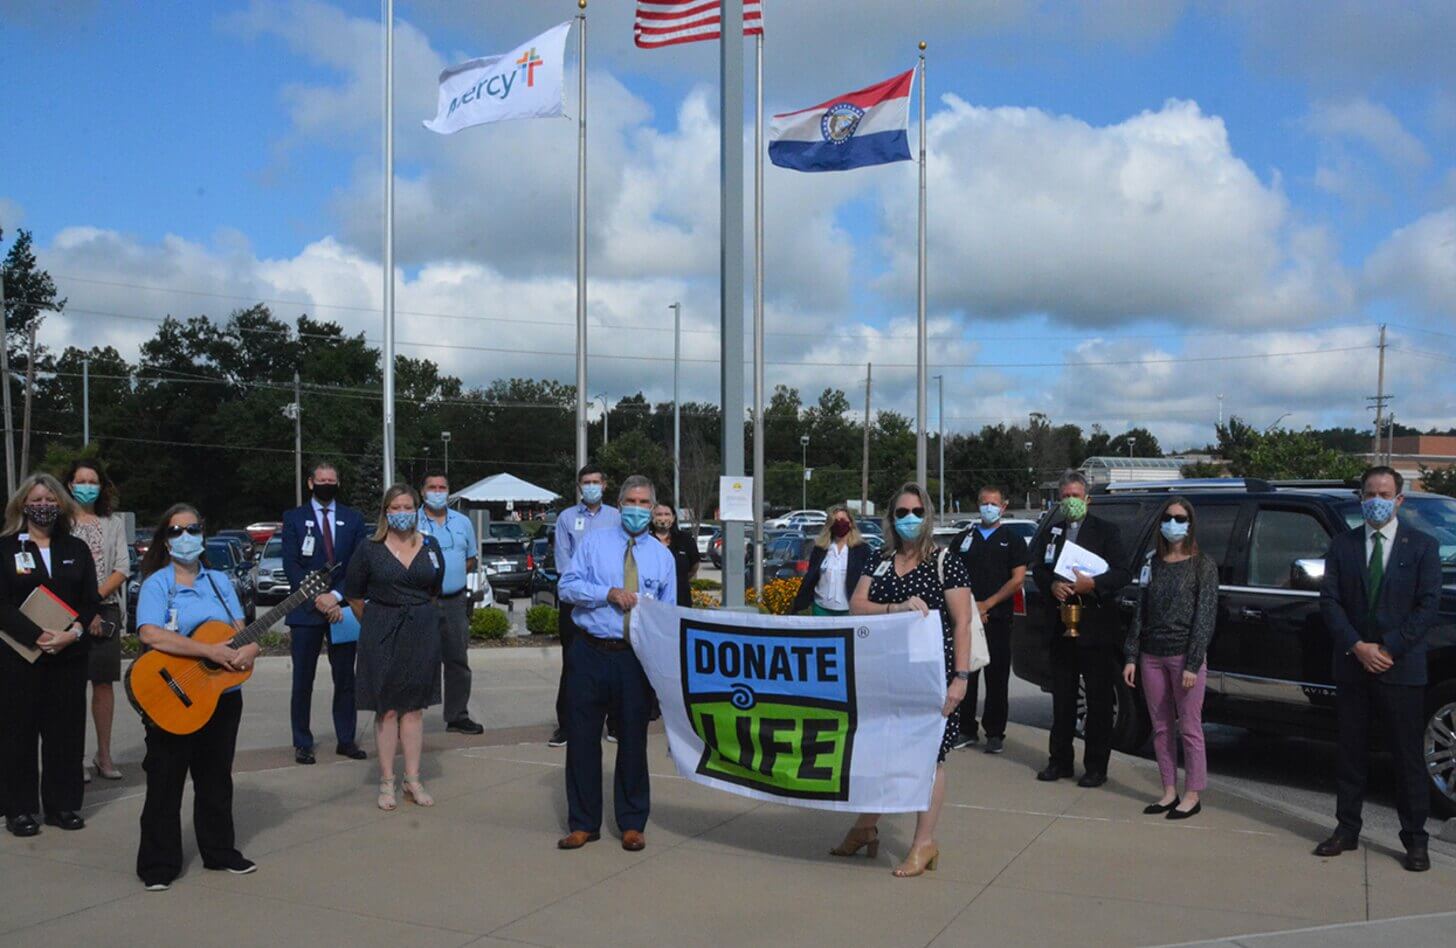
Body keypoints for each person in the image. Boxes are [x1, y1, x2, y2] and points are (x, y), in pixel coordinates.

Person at [833, 483, 973, 878]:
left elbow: (962, 623)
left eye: (915, 511)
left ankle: (923, 843)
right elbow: (856, 607)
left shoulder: (945, 562)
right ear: (890, 518)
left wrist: (960, 679)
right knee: (879, 749)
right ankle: (865, 827)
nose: (908, 519)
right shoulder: (879, 560)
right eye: (900, 512)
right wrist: (895, 607)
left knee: (929, 758)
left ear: (927, 515)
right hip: (885, 673)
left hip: (932, 677)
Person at [1315, 466, 1441, 872]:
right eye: (1369, 492)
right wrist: (1357, 645)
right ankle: (1346, 829)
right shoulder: (1343, 546)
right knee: (1350, 755)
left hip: (1400, 670)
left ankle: (1415, 841)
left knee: (1407, 759)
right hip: (1353, 666)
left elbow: (1427, 607)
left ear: (1399, 499)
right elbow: (1330, 602)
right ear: (1361, 498)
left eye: (1384, 492)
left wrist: (1389, 648)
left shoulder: (1422, 546)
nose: (1376, 499)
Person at [134, 504, 258, 889]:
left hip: (221, 696)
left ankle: (220, 852)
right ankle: (158, 865)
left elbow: (241, 630)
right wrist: (208, 651)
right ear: (166, 540)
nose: (186, 537)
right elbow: (150, 634)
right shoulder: (157, 583)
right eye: (176, 530)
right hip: (173, 693)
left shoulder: (220, 582)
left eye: (192, 529)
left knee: (216, 778)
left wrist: (249, 649)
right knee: (165, 779)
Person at [555, 475, 675, 852]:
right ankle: (583, 823)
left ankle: (632, 822)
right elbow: (567, 587)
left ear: (654, 510)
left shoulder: (662, 557)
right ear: (619, 504)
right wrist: (605, 593)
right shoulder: (594, 543)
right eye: (631, 501)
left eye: (644, 503)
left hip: (633, 659)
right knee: (583, 739)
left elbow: (667, 615)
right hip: (589, 651)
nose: (637, 509)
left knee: (633, 742)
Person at [0, 474, 100, 837]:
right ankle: (20, 809)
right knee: (18, 735)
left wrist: (71, 634)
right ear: (23, 504)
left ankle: (62, 805)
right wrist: (36, 634)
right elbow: (3, 604)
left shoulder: (75, 549)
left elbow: (91, 601)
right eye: (36, 500)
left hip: (68, 656)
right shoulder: (6, 548)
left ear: (61, 505)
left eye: (50, 500)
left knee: (65, 734)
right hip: (19, 656)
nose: (43, 506)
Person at [1027, 470, 1130, 787]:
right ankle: (1059, 760)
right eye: (1066, 497)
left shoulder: (1106, 531)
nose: (1071, 502)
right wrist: (1052, 585)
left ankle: (1096, 766)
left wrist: (1092, 584)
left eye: (1076, 496)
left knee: (1098, 700)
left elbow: (1122, 572)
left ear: (1088, 499)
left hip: (1096, 626)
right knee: (1063, 698)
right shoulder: (1053, 533)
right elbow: (1039, 570)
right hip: (1061, 625)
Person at [346, 485, 445, 811]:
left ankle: (412, 779)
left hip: (421, 630)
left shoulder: (429, 546)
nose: (402, 512)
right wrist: (377, 623)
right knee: (387, 708)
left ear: (415, 510)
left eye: (408, 506)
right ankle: (387, 780)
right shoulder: (369, 549)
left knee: (414, 708)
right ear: (386, 511)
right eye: (396, 507)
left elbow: (434, 588)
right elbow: (354, 594)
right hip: (382, 631)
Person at [1122, 496, 1218, 819]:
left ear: (1190, 523)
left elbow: (1205, 617)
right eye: (1168, 517)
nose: (1173, 524)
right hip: (1151, 655)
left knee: (1190, 727)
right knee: (1161, 727)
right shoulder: (1153, 562)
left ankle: (1193, 793)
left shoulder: (1202, 565)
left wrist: (1193, 663)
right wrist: (1132, 655)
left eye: (1180, 518)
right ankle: (1168, 791)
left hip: (1183, 657)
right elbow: (1140, 611)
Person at [281, 461, 367, 765]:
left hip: (341, 610)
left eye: (332, 479)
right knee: (303, 679)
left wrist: (335, 595)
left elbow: (358, 564)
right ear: (310, 483)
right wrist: (317, 596)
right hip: (306, 610)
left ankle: (346, 739)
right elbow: (291, 565)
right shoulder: (293, 518)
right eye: (321, 479)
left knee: (345, 678)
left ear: (338, 483)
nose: (326, 483)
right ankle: (302, 741)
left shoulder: (353, 519)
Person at [946, 486, 1028, 754]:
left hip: (998, 619)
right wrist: (970, 608)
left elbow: (1017, 579)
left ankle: (995, 733)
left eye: (994, 503)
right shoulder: (963, 539)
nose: (988, 508)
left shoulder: (1012, 540)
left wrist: (988, 604)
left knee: (997, 678)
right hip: (966, 620)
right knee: (965, 674)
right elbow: (952, 576)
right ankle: (966, 728)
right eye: (984, 503)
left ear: (1003, 507)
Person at [66, 459, 132, 782]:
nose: (87, 486)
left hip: (104, 610)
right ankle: (72, 756)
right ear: (69, 485)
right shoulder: (60, 521)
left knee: (103, 685)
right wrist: (82, 609)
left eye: (93, 481)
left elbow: (122, 566)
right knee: (70, 686)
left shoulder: (113, 522)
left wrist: (93, 602)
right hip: (68, 611)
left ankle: (103, 755)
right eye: (81, 480)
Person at [549, 464, 621, 748]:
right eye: (585, 482)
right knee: (573, 663)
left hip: (610, 600)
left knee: (614, 663)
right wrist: (585, 592)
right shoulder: (567, 518)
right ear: (579, 487)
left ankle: (615, 722)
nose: (590, 486)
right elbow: (564, 563)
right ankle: (566, 725)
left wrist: (605, 592)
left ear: (604, 485)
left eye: (595, 481)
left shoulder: (617, 517)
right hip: (576, 600)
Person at [417, 471, 483, 735]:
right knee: (419, 661)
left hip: (455, 601)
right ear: (422, 491)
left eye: (442, 487)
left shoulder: (462, 522)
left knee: (457, 660)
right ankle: (410, 715)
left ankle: (457, 715)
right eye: (432, 487)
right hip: (422, 601)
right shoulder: (413, 520)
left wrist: (450, 573)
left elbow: (470, 559)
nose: (437, 491)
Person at [790, 504, 871, 617]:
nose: (839, 523)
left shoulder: (862, 549)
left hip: (849, 610)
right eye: (835, 520)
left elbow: (867, 579)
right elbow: (811, 576)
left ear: (851, 523)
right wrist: (800, 604)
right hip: (821, 608)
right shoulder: (821, 548)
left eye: (843, 520)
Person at [650, 502, 699, 607]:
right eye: (659, 514)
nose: (663, 518)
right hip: (652, 602)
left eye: (667, 514)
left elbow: (693, 567)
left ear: (673, 517)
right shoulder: (645, 540)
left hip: (681, 599)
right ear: (652, 517)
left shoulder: (685, 539)